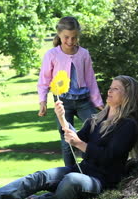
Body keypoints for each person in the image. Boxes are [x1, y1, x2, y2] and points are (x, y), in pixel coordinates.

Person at [0, 76, 138, 199]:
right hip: (82, 169)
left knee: (72, 180)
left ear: (128, 95)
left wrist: (80, 143)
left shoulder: (128, 125)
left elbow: (109, 156)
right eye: (110, 87)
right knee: (40, 176)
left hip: (100, 181)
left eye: (116, 89)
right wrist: (62, 118)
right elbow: (73, 139)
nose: (109, 91)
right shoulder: (96, 119)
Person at [37, 16, 104, 167]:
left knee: (97, 130)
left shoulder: (83, 54)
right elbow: (44, 80)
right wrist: (42, 102)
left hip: (83, 101)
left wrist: (99, 103)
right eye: (66, 37)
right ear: (59, 34)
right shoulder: (52, 55)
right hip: (62, 103)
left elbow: (90, 79)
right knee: (67, 140)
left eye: (74, 38)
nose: (70, 41)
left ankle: (92, 166)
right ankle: (70, 172)